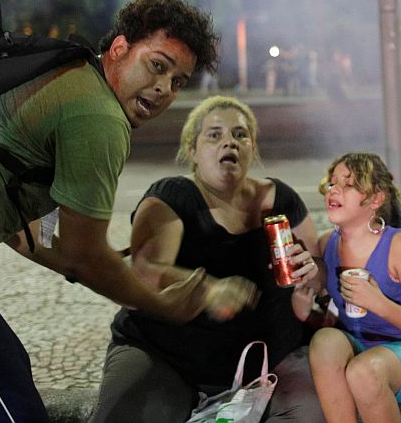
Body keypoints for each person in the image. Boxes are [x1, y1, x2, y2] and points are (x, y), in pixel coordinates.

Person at [0, 0, 220, 421]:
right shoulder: (100, 117)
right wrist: (160, 305)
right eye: (157, 65)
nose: (164, 88)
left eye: (178, 81)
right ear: (119, 49)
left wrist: (103, 261)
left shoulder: (69, 69)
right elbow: (84, 258)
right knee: (9, 411)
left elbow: (27, 238)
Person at [91, 95, 326, 423]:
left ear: (252, 148)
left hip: (272, 359)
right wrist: (208, 290)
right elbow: (144, 273)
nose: (229, 141)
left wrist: (311, 274)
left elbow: (317, 270)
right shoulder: (172, 197)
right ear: (192, 151)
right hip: (166, 356)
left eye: (240, 134)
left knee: (314, 414)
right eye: (214, 134)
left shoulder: (280, 199)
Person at [299, 152, 401, 423]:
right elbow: (325, 308)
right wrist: (304, 301)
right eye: (332, 183)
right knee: (324, 342)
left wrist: (378, 303)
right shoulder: (327, 243)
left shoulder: (398, 247)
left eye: (349, 184)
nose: (334, 189)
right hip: (358, 347)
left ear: (375, 199)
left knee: (364, 370)